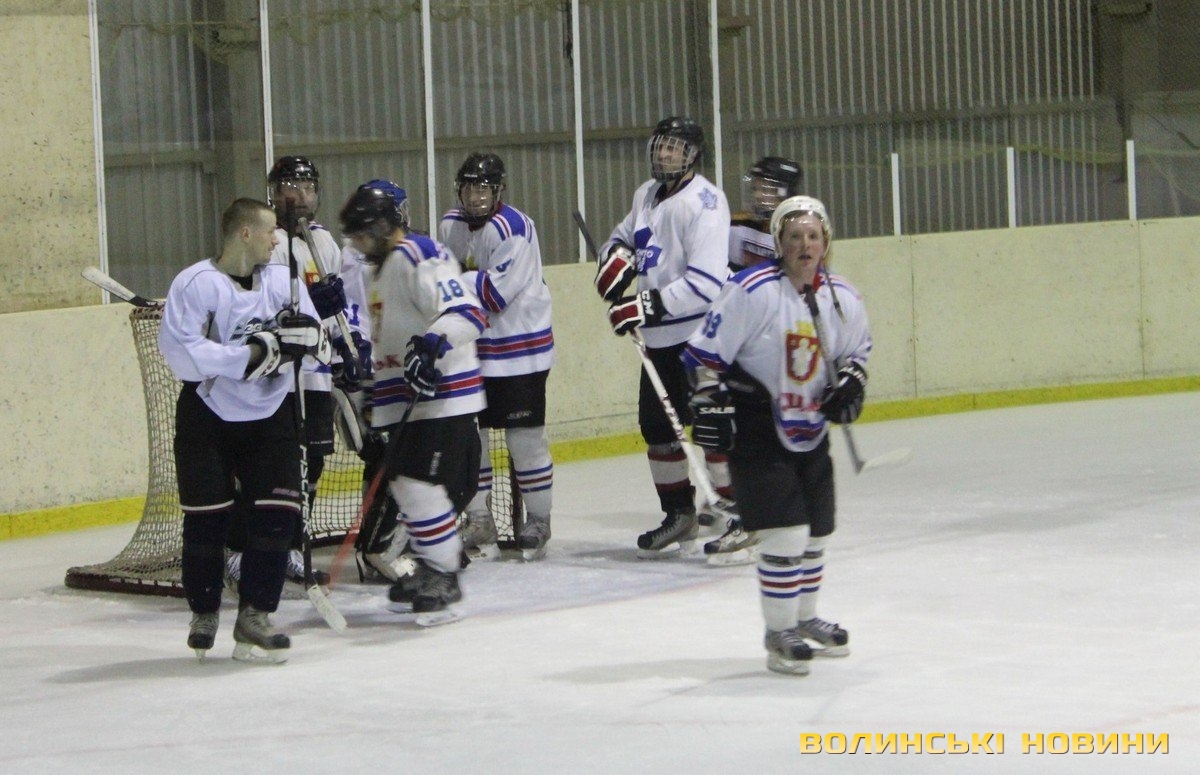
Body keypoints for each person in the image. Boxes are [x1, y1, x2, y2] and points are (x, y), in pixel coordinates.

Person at [683, 194, 868, 675]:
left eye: (813, 236)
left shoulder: (842, 297)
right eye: (794, 237)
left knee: (817, 531)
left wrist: (851, 383)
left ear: (826, 242)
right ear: (779, 243)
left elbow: (856, 352)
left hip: (810, 427)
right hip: (757, 425)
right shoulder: (751, 290)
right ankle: (779, 632)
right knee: (785, 534)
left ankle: (804, 618)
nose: (805, 245)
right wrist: (710, 400)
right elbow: (703, 355)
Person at [159, 197, 331, 663]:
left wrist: (307, 339)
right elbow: (181, 355)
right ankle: (204, 610)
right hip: (208, 415)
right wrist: (253, 355)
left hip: (271, 413)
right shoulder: (196, 284)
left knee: (277, 518)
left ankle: (255, 615)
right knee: (206, 521)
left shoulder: (282, 280)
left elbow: (320, 341)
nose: (277, 240)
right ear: (245, 233)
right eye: (271, 231)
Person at [338, 181, 486, 623]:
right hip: (407, 399)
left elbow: (467, 313)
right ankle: (430, 565)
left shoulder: (418, 253)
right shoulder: (377, 271)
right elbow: (387, 337)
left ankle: (443, 572)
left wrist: (432, 345)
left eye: (362, 234)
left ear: (382, 227)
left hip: (444, 396)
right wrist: (371, 393)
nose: (357, 244)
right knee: (404, 485)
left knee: (420, 485)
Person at [224, 156, 371, 591]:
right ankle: (238, 552)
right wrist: (308, 304)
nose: (300, 196)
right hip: (277, 377)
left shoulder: (323, 241)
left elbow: (342, 306)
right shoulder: (266, 241)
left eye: (307, 187)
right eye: (291, 186)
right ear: (274, 193)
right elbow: (257, 304)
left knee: (312, 465)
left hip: (315, 373)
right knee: (268, 468)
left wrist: (349, 345)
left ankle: (287, 548)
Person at [595, 115, 732, 557]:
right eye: (662, 145)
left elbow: (706, 284)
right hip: (657, 341)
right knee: (658, 430)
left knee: (712, 430)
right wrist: (616, 261)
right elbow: (621, 238)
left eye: (675, 147)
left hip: (701, 339)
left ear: (693, 156)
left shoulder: (706, 202)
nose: (665, 153)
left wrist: (642, 306)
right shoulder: (646, 195)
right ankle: (680, 515)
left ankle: (740, 514)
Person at [439, 152, 555, 562]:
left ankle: (538, 519)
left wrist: (458, 280)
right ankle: (479, 518)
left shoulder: (515, 228)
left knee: (524, 439)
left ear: (498, 190)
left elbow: (494, 295)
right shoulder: (450, 224)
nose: (476, 196)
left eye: (484, 188)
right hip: (473, 350)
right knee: (471, 441)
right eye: (470, 188)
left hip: (520, 350)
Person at [704, 156, 804, 567]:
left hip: (774, 349)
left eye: (768, 188)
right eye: (757, 186)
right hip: (736, 344)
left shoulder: (798, 230)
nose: (760, 194)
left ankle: (759, 513)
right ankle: (739, 508)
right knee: (717, 428)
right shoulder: (735, 224)